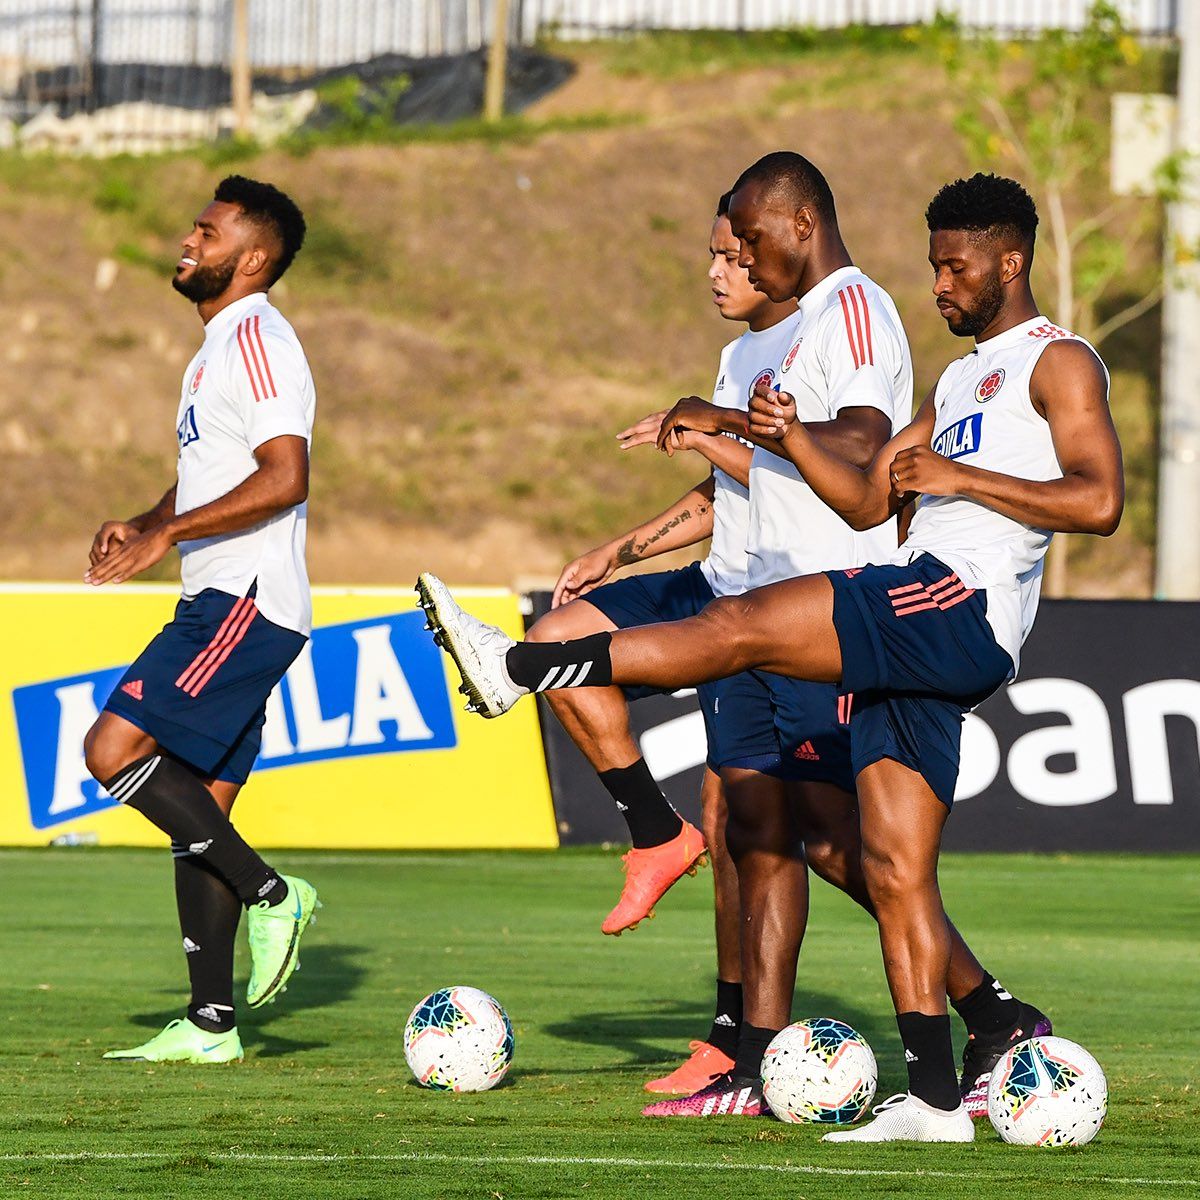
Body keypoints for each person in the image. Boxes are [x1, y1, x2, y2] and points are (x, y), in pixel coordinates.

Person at [417, 171, 1123, 1141]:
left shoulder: (1060, 362)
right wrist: (783, 434)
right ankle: (935, 1093)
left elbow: (1099, 502)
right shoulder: (957, 380)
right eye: (933, 268)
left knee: (744, 627)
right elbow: (869, 501)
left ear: (1010, 261)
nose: (939, 288)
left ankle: (524, 671)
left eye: (955, 269)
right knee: (887, 864)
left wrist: (957, 474)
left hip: (953, 606)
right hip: (916, 621)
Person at [525, 193, 800, 1094]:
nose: (717, 272)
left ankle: (735, 1038)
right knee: (558, 638)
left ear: (775, 249)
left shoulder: (826, 336)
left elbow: (812, 479)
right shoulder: (736, 355)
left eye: (732, 255)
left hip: (770, 607)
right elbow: (725, 495)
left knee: (756, 832)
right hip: (712, 580)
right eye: (713, 255)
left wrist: (707, 432)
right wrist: (621, 547)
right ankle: (652, 829)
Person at [82, 175, 321, 1065]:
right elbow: (219, 470)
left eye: (208, 231)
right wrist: (152, 521)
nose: (189, 240)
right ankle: (211, 1023)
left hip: (242, 601)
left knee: (113, 753)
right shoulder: (218, 346)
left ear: (251, 260)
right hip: (229, 596)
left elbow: (283, 475)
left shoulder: (256, 337)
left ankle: (274, 897)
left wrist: (170, 533)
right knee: (200, 814)